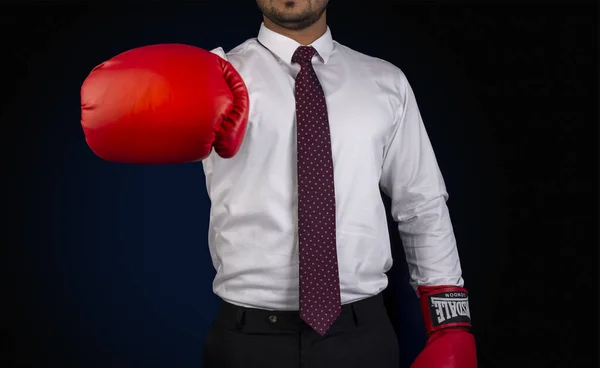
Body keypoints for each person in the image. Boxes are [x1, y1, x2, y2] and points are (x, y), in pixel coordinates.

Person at [80, 0, 476, 367]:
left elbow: (421, 204)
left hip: (362, 334)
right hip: (247, 339)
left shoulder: (386, 82)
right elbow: (117, 108)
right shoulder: (212, 76)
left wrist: (450, 321)